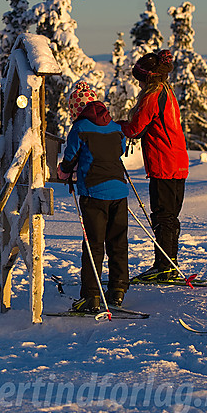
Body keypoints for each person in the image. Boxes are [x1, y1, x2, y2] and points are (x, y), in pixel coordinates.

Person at [57, 81, 130, 311]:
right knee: (118, 242)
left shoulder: (80, 128)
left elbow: (69, 160)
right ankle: (118, 289)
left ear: (76, 109)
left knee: (93, 245)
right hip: (119, 191)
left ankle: (91, 296)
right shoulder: (115, 128)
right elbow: (120, 150)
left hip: (94, 194)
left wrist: (63, 172)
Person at [119, 50, 189, 282]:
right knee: (170, 216)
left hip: (164, 163)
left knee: (163, 215)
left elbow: (136, 128)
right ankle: (168, 263)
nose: (137, 83)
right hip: (177, 161)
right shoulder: (167, 93)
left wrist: (113, 126)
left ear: (148, 78)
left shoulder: (152, 96)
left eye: (139, 78)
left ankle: (165, 266)